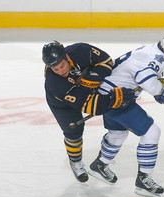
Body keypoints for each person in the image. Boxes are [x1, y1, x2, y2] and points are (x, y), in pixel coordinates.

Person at [88, 32, 164, 197]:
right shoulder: (153, 58)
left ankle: (100, 164)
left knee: (118, 133)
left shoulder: (158, 53)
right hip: (116, 100)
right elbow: (147, 81)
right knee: (151, 132)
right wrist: (162, 89)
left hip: (107, 95)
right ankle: (143, 181)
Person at [42, 41, 135, 183]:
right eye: (56, 69)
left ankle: (102, 160)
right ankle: (75, 161)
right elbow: (90, 106)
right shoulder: (55, 83)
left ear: (67, 57)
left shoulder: (81, 50)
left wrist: (89, 81)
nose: (61, 71)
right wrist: (113, 99)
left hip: (84, 89)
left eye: (62, 66)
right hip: (61, 103)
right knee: (74, 131)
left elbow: (106, 61)